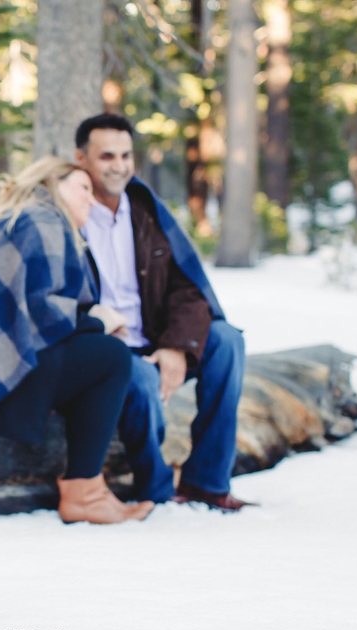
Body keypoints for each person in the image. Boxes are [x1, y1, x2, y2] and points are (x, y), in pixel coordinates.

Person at [0, 156, 154, 525]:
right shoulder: (44, 218)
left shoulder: (17, 219)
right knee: (110, 357)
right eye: (84, 188)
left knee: (93, 354)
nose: (91, 201)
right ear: (51, 184)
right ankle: (85, 493)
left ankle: (89, 485)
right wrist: (101, 321)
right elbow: (48, 319)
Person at [74, 112, 255, 512]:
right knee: (135, 376)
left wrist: (177, 346)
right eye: (107, 156)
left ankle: (207, 481)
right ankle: (154, 488)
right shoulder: (68, 217)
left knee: (227, 342)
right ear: (81, 158)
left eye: (125, 155)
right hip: (104, 347)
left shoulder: (145, 210)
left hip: (155, 337)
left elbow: (186, 287)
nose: (119, 166)